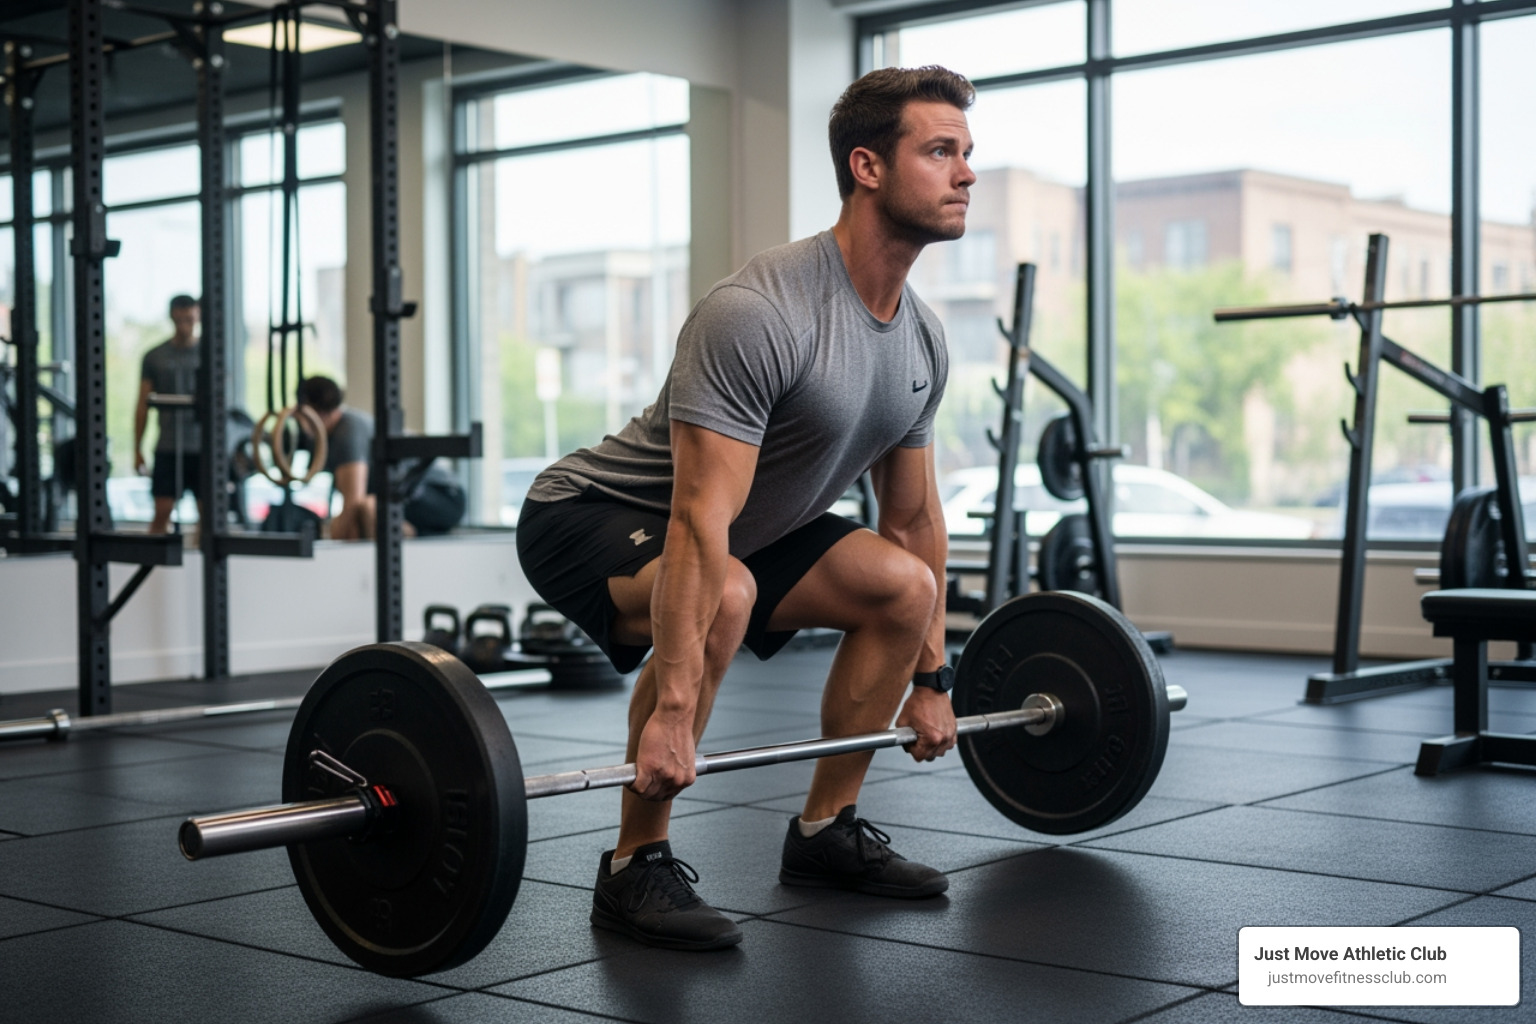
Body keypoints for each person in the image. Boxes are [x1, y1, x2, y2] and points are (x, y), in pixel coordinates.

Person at [516, 65, 976, 951]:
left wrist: (931, 680)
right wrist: (672, 713)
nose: (966, 173)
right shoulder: (760, 312)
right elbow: (696, 518)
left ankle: (826, 832)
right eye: (940, 151)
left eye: (967, 153)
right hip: (591, 511)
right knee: (724, 589)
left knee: (904, 587)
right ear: (868, 167)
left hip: (746, 529)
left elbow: (913, 521)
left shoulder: (921, 339)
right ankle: (634, 865)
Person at [292, 375, 466, 539]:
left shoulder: (348, 430)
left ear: (309, 410)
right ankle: (412, 534)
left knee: (369, 509)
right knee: (365, 514)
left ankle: (399, 548)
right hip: (412, 503)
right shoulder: (326, 436)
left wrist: (329, 545)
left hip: (443, 496)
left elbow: (353, 503)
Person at [135, 295, 201, 535]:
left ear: (197, 317)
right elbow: (142, 405)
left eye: (189, 319)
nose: (184, 326)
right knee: (162, 511)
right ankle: (154, 558)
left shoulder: (210, 354)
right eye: (179, 320)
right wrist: (137, 449)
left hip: (203, 448)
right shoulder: (155, 356)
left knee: (209, 517)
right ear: (172, 318)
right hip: (168, 446)